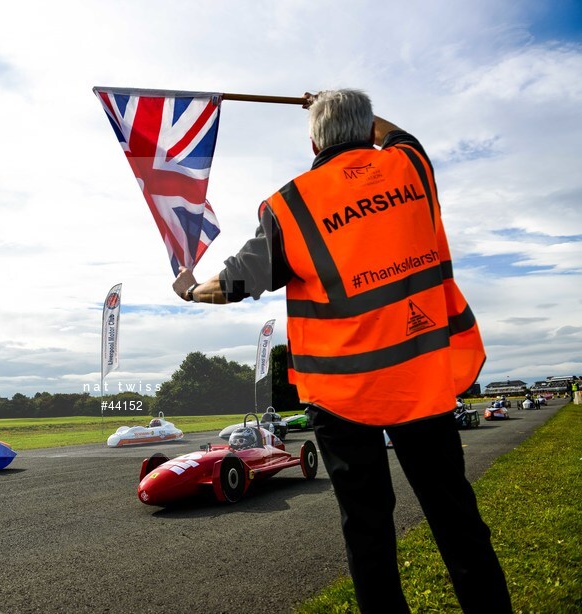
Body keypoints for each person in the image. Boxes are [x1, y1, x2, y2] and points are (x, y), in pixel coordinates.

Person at [172, 89, 511, 613]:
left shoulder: (290, 206)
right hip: (421, 381)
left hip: (341, 395)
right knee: (455, 518)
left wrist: (191, 289)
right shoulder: (411, 168)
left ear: (313, 141)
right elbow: (394, 133)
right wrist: (339, 103)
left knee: (368, 528)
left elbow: (237, 282)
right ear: (368, 126)